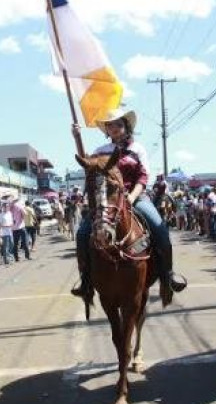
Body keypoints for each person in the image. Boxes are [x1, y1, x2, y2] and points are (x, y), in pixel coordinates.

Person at [71, 108, 187, 300]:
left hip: (136, 197)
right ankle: (86, 280)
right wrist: (77, 137)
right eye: (110, 125)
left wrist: (132, 196)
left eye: (118, 124)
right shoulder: (100, 151)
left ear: (126, 127)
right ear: (106, 130)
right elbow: (88, 167)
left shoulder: (137, 149)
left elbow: (143, 177)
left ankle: (168, 275)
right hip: (109, 201)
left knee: (160, 229)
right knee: (83, 233)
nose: (114, 127)